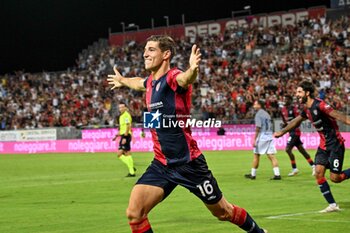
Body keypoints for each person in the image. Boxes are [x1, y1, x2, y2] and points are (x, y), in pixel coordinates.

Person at [108, 35, 267, 233]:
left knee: (223, 212)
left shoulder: (174, 78)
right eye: (145, 50)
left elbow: (186, 78)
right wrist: (122, 80)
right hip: (162, 164)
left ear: (166, 54)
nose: (145, 53)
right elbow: (138, 82)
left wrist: (193, 69)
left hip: (189, 164)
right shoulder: (150, 82)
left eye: (151, 49)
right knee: (135, 212)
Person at [274, 81, 350, 213]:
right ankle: (332, 205)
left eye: (299, 92)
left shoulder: (320, 105)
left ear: (307, 93)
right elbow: (296, 121)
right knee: (319, 173)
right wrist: (282, 132)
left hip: (335, 145)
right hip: (323, 146)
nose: (296, 95)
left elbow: (338, 115)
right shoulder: (306, 110)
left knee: (335, 178)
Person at [245, 100, 281, 180]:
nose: (254, 105)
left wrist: (254, 139)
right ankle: (277, 174)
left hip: (262, 137)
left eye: (255, 104)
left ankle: (253, 174)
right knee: (271, 156)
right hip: (269, 136)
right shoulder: (266, 114)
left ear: (259, 105)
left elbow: (258, 127)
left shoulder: (258, 114)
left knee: (256, 155)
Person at [280, 95, 315, 176]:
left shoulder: (293, 109)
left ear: (290, 100)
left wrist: (290, 125)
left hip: (295, 132)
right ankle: (313, 166)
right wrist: (284, 124)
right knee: (302, 150)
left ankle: (295, 168)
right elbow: (286, 121)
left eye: (286, 99)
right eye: (284, 99)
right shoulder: (283, 110)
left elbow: (298, 119)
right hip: (290, 132)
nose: (285, 100)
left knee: (288, 149)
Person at [112, 102, 136, 177]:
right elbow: (122, 128)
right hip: (124, 135)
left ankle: (131, 168)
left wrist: (125, 137)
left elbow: (128, 126)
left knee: (119, 154)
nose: (121, 109)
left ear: (125, 108)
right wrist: (116, 135)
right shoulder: (121, 116)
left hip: (126, 136)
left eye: (122, 107)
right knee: (127, 153)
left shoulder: (126, 115)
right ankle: (132, 170)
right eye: (120, 107)